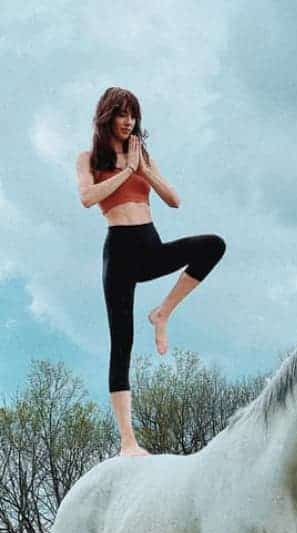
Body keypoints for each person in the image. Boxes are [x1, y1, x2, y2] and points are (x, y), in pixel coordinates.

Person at [76, 87, 225, 457]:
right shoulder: (88, 158)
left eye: (133, 115)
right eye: (122, 114)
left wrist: (143, 170)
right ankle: (128, 440)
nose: (129, 122)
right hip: (120, 253)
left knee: (213, 245)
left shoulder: (143, 155)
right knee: (121, 342)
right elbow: (87, 198)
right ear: (107, 116)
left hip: (150, 246)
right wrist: (124, 171)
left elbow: (174, 200)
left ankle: (163, 313)